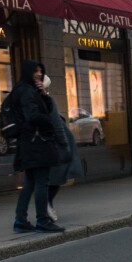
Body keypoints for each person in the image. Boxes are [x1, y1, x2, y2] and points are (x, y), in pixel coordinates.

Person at [11, 60, 64, 233]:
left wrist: (43, 94)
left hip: (30, 142)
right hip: (36, 142)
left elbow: (43, 109)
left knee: (30, 183)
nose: (39, 74)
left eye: (41, 71)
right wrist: (49, 123)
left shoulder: (29, 90)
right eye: (35, 71)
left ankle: (20, 220)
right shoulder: (26, 92)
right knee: (42, 182)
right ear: (28, 72)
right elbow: (33, 115)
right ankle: (42, 219)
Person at [41, 74, 82, 222]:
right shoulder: (46, 102)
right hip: (54, 144)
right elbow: (57, 125)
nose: (47, 91)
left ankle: (45, 206)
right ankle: (46, 206)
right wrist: (64, 143)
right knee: (55, 176)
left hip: (51, 144)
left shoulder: (38, 101)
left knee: (52, 177)